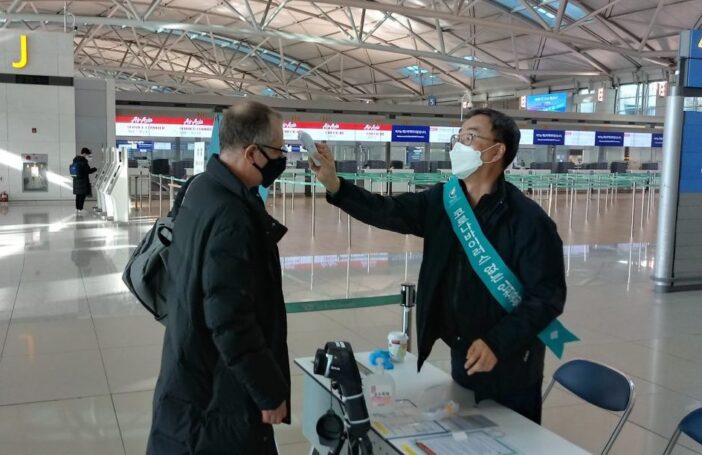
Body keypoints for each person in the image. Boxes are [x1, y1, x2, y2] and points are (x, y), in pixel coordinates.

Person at [311, 108, 568, 424]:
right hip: (463, 354)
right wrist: (336, 185)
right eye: (458, 137)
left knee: (513, 437)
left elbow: (546, 297)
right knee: (468, 437)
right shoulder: (444, 201)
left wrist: (497, 343)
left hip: (512, 363)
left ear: (497, 151)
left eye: (470, 137)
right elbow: (387, 210)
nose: (458, 145)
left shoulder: (529, 222)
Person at [147, 101, 290, 454]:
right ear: (253, 152)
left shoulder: (201, 187)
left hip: (188, 365)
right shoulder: (233, 215)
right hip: (217, 394)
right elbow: (229, 318)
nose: (283, 157)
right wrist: (268, 391)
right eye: (278, 149)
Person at [71, 147, 97, 214]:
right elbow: (87, 171)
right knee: (82, 196)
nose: (88, 156)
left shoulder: (75, 159)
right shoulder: (83, 161)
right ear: (85, 154)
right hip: (82, 181)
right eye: (88, 155)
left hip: (76, 180)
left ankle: (77, 209)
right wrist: (95, 169)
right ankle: (80, 209)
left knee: (78, 195)